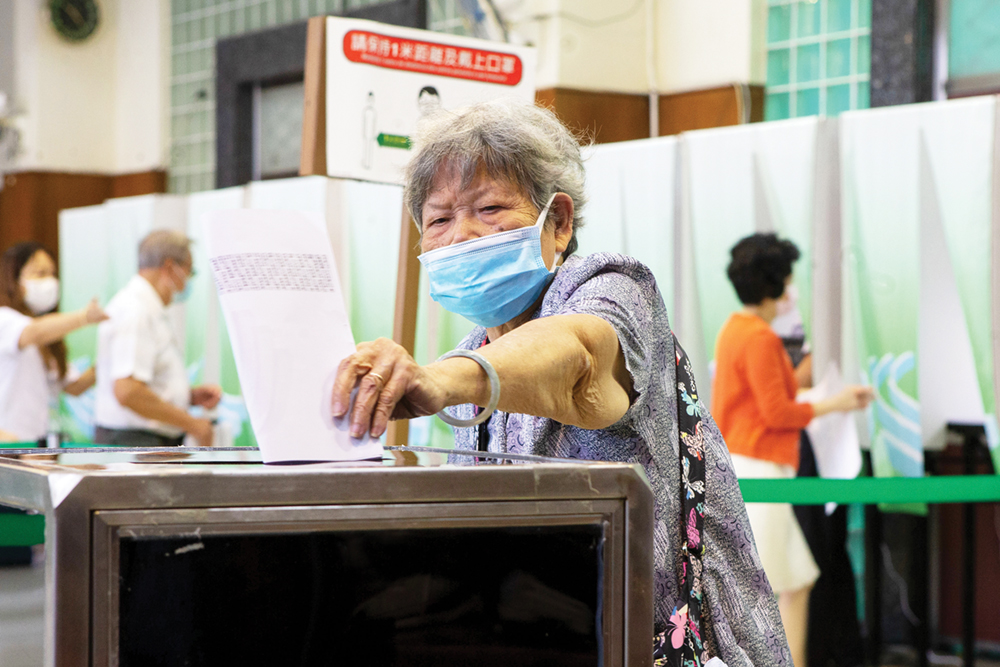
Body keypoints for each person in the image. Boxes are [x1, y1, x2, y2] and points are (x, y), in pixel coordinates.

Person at [330, 100, 793, 667]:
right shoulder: (472, 352)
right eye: (440, 219)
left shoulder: (611, 288)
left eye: (491, 207)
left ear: (559, 221)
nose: (462, 237)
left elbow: (576, 358)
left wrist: (439, 380)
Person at [711, 233, 874, 667]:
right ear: (777, 283)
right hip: (762, 469)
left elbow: (767, 398)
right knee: (777, 587)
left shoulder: (734, 330)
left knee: (795, 582)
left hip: (747, 465)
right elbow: (778, 412)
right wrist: (836, 402)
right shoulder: (760, 338)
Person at [94, 230, 221, 447]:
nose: (188, 281)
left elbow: (140, 383)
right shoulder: (136, 311)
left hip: (142, 440)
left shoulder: (147, 309)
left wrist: (185, 396)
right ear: (171, 267)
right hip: (136, 442)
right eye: (190, 272)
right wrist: (192, 424)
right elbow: (128, 391)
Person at [0, 242, 106, 443]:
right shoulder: (5, 319)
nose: (49, 281)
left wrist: (108, 359)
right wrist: (84, 317)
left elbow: (74, 386)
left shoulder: (48, 340)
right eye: (39, 273)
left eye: (52, 273)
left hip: (39, 445)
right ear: (14, 279)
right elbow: (33, 332)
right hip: (9, 445)